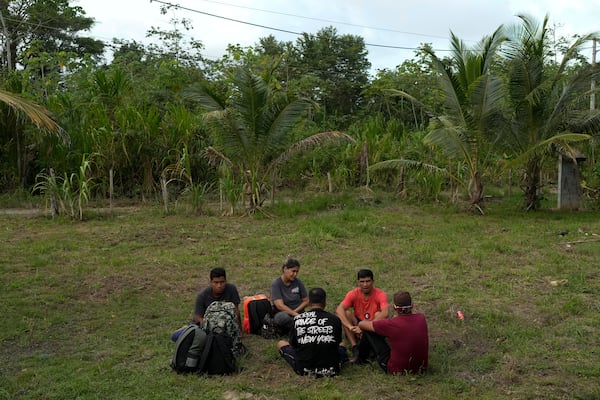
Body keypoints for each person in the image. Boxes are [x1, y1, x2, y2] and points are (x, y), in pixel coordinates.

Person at [277, 287, 347, 377]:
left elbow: (293, 344)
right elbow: (337, 343)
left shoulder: (298, 319)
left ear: (309, 302)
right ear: (324, 302)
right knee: (342, 345)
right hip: (332, 369)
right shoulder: (335, 319)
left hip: (304, 369)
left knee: (281, 343)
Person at [358, 291, 428, 374]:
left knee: (369, 331)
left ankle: (361, 358)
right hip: (421, 368)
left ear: (394, 307)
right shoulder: (421, 318)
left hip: (396, 370)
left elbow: (361, 324)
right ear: (412, 305)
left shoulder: (391, 324)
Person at [336, 269, 390, 365]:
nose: (365, 285)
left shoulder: (380, 294)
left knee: (379, 314)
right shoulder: (353, 293)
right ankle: (355, 347)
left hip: (373, 323)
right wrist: (350, 327)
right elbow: (339, 309)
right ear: (358, 282)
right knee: (347, 314)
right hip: (358, 322)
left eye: (368, 281)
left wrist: (365, 327)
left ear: (373, 281)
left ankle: (373, 346)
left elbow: (385, 312)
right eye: (362, 281)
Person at [270, 257, 309, 335]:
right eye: (293, 271)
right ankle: (301, 329)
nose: (295, 274)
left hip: (298, 313)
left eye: (297, 272)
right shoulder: (276, 284)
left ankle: (299, 328)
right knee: (282, 318)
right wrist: (294, 314)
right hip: (284, 313)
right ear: (285, 269)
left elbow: (306, 300)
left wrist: (295, 312)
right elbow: (280, 305)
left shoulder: (298, 282)